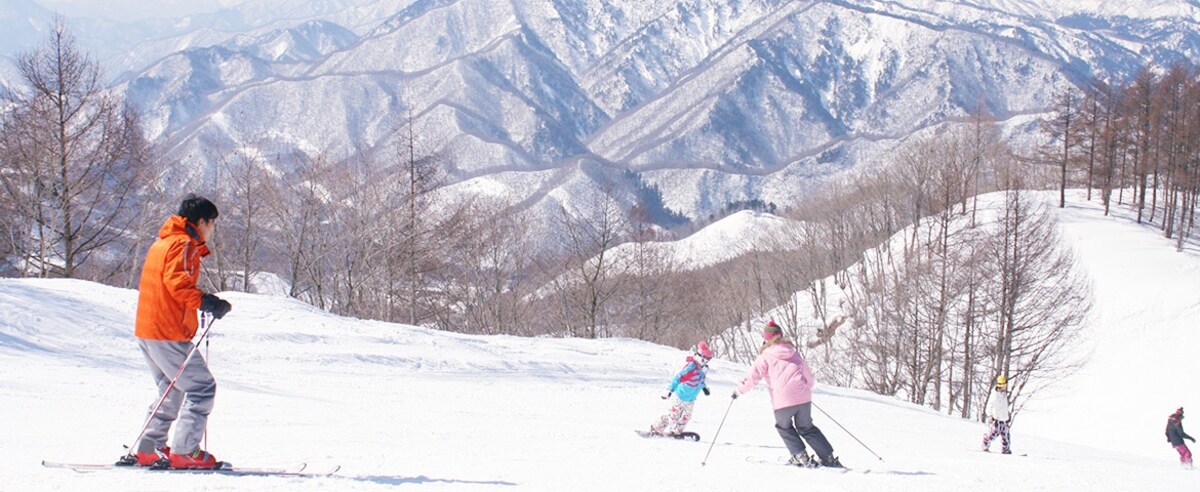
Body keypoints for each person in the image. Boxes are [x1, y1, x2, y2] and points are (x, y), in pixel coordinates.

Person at [120, 194, 232, 469]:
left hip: (148, 329)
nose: (212, 229)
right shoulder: (183, 244)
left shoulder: (163, 242)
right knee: (201, 388)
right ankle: (184, 451)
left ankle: (149, 448)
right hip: (167, 331)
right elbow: (177, 284)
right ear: (202, 221)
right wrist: (207, 301)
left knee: (170, 389)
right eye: (212, 223)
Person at [732, 320, 842, 468]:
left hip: (782, 400)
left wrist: (739, 390)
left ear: (766, 338)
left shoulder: (765, 355)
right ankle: (828, 458)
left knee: (784, 427)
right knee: (807, 428)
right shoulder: (793, 352)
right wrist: (804, 389)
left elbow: (753, 376)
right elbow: (808, 375)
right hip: (803, 398)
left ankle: (800, 455)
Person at [649, 342, 713, 436]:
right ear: (701, 357)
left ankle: (676, 432)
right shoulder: (691, 368)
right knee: (673, 416)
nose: (707, 361)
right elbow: (678, 378)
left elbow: (700, 381)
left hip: (690, 399)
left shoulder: (702, 370)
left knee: (686, 417)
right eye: (706, 358)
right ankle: (656, 427)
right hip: (680, 396)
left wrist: (704, 388)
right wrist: (669, 390)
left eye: (709, 359)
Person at [982, 374, 1012, 454]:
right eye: (1004, 385)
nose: (1005, 387)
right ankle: (985, 444)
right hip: (997, 419)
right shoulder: (994, 395)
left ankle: (1005, 449)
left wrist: (1008, 415)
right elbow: (989, 406)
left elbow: (1005, 407)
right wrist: (990, 415)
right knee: (992, 434)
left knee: (1006, 436)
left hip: (1004, 419)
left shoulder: (1004, 394)